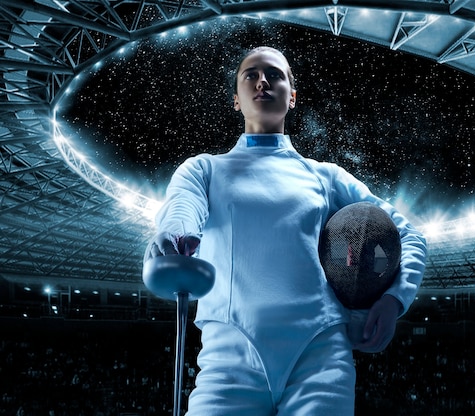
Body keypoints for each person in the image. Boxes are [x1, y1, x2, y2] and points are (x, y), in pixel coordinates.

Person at [144, 46, 427, 415]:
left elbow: (408, 234)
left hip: (320, 359)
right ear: (236, 99)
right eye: (251, 74)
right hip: (229, 361)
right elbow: (182, 207)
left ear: (292, 97)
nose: (263, 81)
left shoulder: (326, 176)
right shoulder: (204, 170)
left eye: (275, 75)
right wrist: (176, 234)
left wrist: (394, 300)